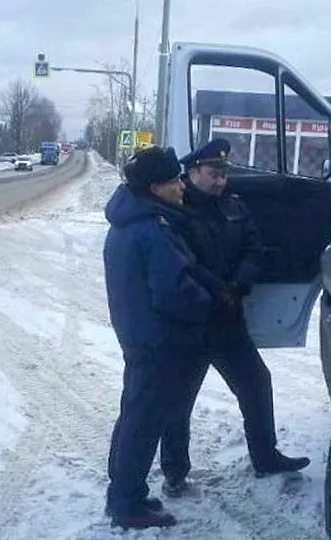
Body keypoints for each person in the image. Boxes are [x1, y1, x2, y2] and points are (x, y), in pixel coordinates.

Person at [159, 138, 311, 498]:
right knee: (178, 402)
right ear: (193, 172)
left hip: (228, 320)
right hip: (191, 325)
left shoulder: (235, 207)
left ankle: (265, 457)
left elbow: (254, 250)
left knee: (257, 384)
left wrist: (240, 283)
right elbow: (181, 265)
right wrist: (216, 290)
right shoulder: (176, 212)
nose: (220, 181)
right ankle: (175, 473)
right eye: (213, 173)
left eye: (224, 174)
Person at [102, 145, 213, 529]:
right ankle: (127, 503)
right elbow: (173, 291)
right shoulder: (151, 229)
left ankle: (124, 492)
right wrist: (207, 304)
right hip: (156, 339)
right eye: (174, 180)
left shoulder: (132, 218)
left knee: (134, 414)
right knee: (143, 421)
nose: (182, 186)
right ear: (154, 186)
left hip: (139, 335)